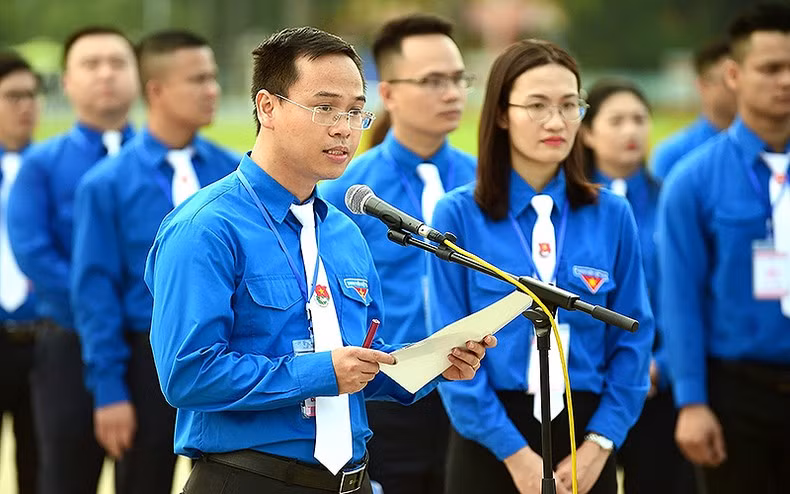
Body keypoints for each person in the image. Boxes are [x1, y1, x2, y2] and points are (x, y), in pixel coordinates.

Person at [144, 26, 495, 494]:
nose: (344, 128)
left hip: (353, 479)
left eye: (355, 112)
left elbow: (360, 362)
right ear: (267, 107)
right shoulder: (206, 227)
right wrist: (322, 372)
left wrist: (431, 367)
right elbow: (187, 373)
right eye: (324, 107)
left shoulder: (345, 231)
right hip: (249, 479)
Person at [428, 39, 655, 494]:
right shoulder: (457, 215)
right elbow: (446, 347)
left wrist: (600, 442)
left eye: (570, 105)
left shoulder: (612, 214)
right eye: (536, 105)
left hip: (585, 436)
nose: (556, 122)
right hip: (491, 440)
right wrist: (515, 455)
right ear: (501, 114)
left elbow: (634, 337)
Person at [69, 29, 239, 493]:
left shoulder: (234, 174)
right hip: (143, 366)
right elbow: (95, 292)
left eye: (214, 77)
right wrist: (109, 392)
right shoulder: (106, 184)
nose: (213, 90)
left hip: (225, 357)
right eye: (198, 79)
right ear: (156, 90)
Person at [320, 13, 476, 494]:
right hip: (386, 394)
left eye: (457, 79)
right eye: (432, 81)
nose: (451, 93)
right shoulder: (349, 191)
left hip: (474, 389)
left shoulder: (487, 185)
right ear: (386, 93)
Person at [658, 4, 790, 494]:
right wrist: (691, 401)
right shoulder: (692, 180)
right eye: (772, 68)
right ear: (734, 74)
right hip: (735, 394)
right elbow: (681, 299)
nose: (785, 81)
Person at [7, 26, 139, 494]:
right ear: (66, 81)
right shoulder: (40, 166)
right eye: (91, 63)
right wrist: (105, 309)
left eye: (118, 63)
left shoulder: (167, 167)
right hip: (69, 346)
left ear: (139, 76)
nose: (106, 74)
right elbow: (35, 255)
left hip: (150, 349)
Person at [580, 78, 698, 494]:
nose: (631, 131)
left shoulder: (674, 200)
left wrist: (661, 364)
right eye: (617, 120)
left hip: (658, 385)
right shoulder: (568, 206)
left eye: (639, 119)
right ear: (588, 131)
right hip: (589, 383)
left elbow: (690, 294)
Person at [0, 50, 42, 494]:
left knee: (42, 469)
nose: (26, 106)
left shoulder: (53, 168)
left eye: (31, 95)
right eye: (13, 96)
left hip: (44, 339)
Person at [650, 38, 736, 180]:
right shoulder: (673, 154)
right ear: (702, 85)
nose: (736, 87)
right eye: (729, 79)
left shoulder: (769, 147)